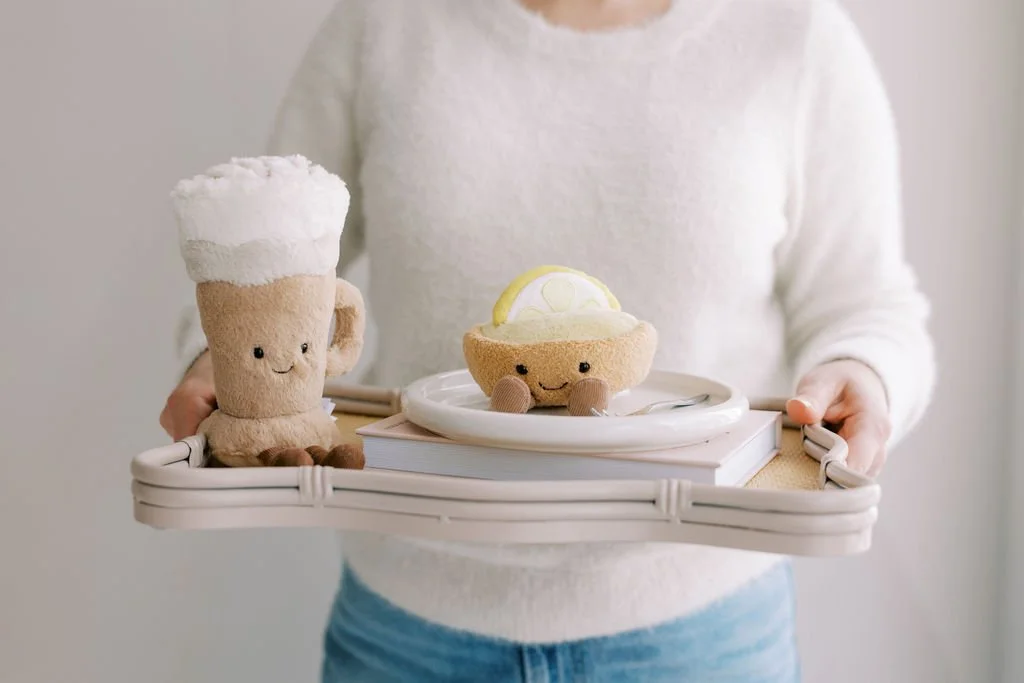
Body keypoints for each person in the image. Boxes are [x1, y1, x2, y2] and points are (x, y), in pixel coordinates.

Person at [160, 0, 936, 680]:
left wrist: (863, 372)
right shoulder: (383, 22)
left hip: (703, 632)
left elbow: (866, 299)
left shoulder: (794, 34)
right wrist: (222, 361)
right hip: (409, 628)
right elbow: (270, 257)